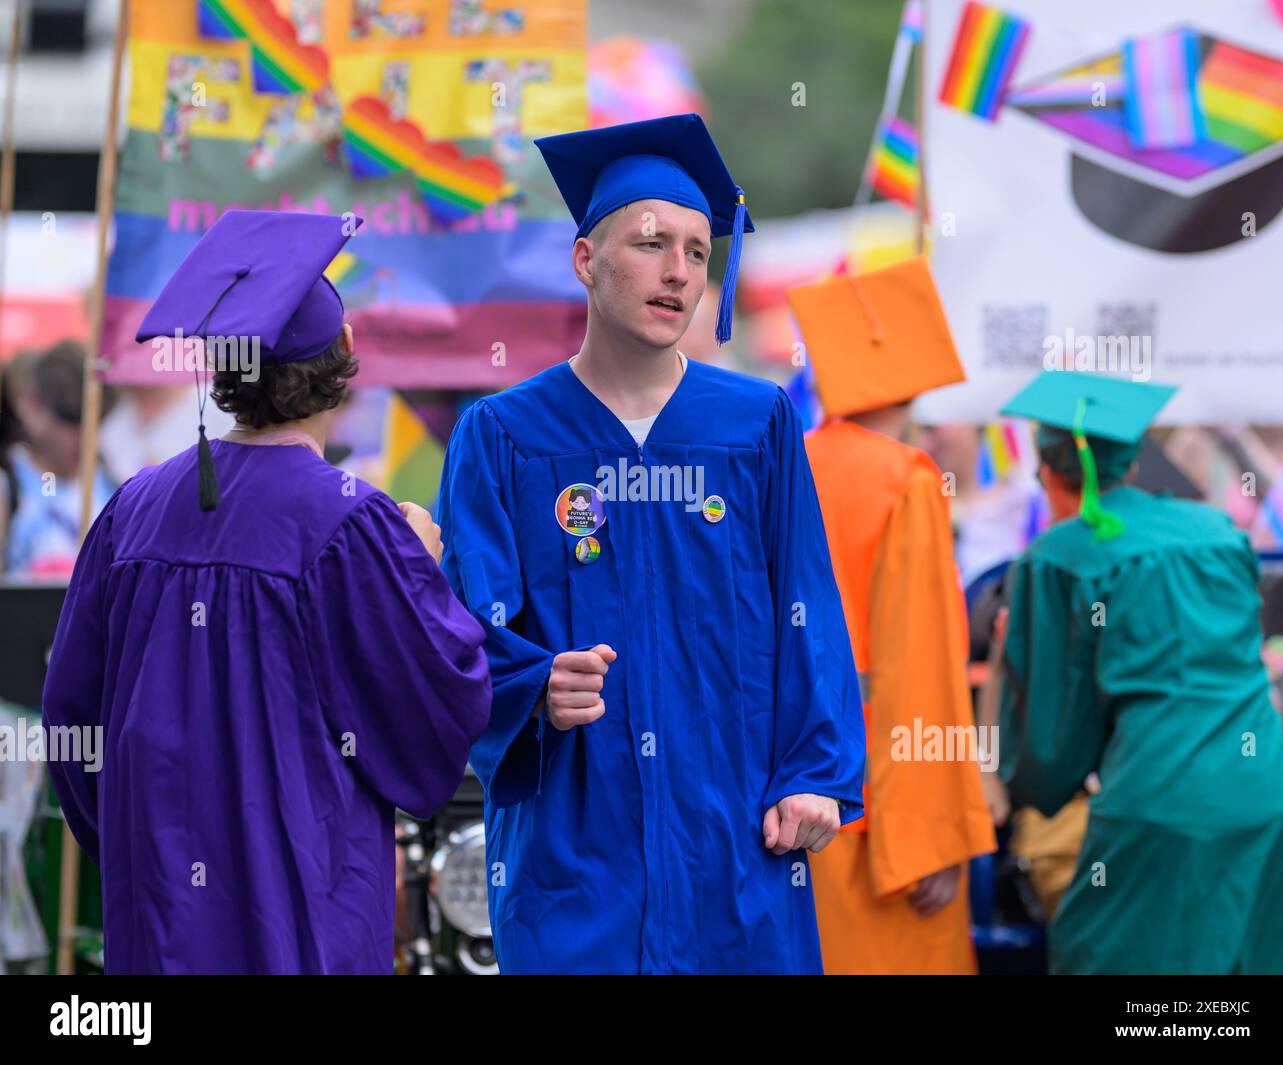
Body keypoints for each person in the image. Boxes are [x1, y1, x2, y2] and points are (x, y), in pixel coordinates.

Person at [435, 113, 865, 974]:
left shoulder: (755, 425)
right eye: (650, 242)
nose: (678, 272)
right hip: (575, 849)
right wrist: (534, 683)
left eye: (699, 252)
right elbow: (461, 631)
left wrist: (816, 771)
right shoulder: (503, 435)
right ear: (586, 260)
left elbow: (806, 607)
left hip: (734, 840)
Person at [42, 210, 492, 974]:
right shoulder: (355, 521)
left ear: (223, 370)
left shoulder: (133, 508)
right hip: (301, 912)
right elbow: (435, 715)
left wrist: (136, 844)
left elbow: (69, 716)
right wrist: (421, 566)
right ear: (346, 352)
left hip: (156, 923)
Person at [996, 369, 1283, 974]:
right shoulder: (1216, 531)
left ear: (1050, 472)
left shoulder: (1057, 558)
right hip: (1269, 792)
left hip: (1160, 802)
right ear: (1133, 463)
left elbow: (1053, 737)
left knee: (1111, 958)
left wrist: (1025, 785)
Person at [786, 259, 996, 974]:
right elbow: (921, 666)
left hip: (786, 786)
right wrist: (931, 840)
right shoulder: (905, 480)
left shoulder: (783, 463)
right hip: (877, 798)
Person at [2, 342, 115, 577]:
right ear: (33, 407)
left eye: (95, 421)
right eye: (71, 420)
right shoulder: (9, 483)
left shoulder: (113, 481)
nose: (84, 436)